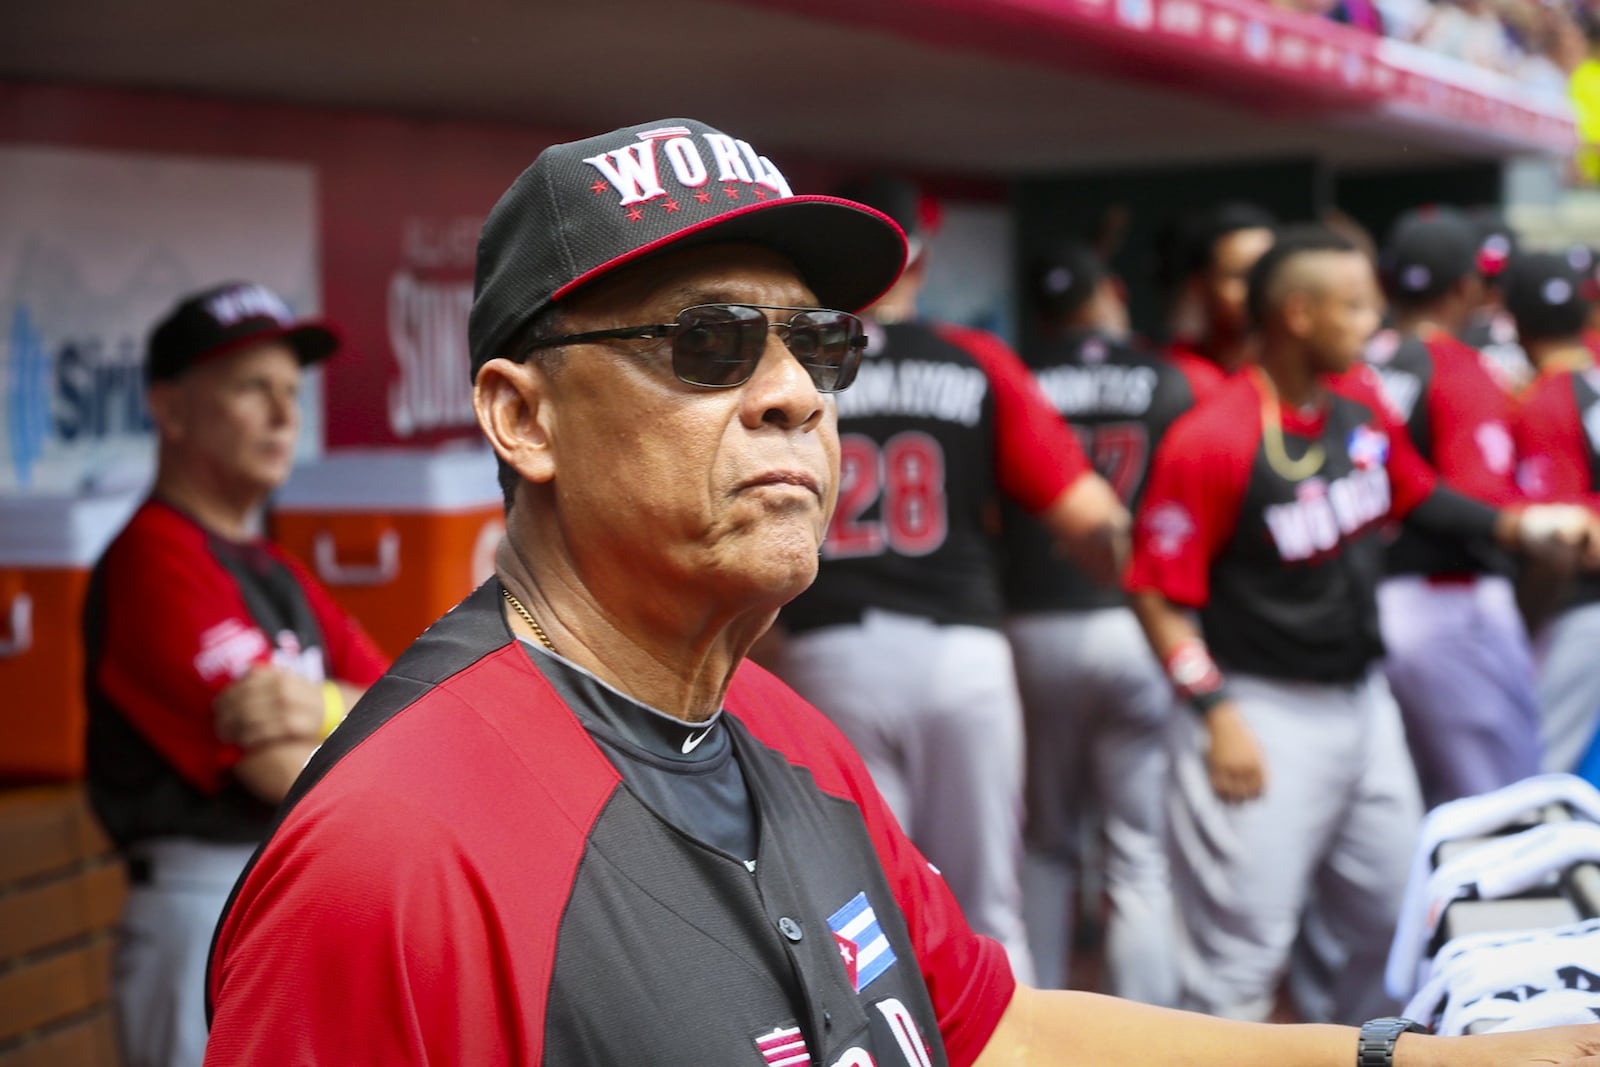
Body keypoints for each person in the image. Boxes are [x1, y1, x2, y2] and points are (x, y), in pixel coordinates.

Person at [205, 118, 1600, 1067]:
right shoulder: (392, 851)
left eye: (818, 342)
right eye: (707, 342)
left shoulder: (783, 731)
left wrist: (1423, 1054)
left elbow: (1000, 1034)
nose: (797, 393)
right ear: (523, 417)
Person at [1126, 224, 1599, 1027]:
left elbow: (1415, 492)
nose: (1372, 321)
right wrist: (1215, 710)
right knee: (1238, 967)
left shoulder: (1357, 406)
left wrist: (1524, 527)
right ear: (1299, 314)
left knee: (1396, 932)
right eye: (1354, 306)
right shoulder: (1216, 434)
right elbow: (1156, 592)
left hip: (1363, 702)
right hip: (1262, 711)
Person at [760, 176, 1128, 979]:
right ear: (917, 262)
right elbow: (1092, 518)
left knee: (864, 907)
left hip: (832, 654)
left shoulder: (788, 369)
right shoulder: (974, 360)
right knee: (987, 906)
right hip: (962, 653)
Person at [85, 282, 387, 1067]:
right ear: (173, 409)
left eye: (291, 391)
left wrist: (318, 702)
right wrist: (357, 727)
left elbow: (414, 717)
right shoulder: (155, 558)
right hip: (202, 900)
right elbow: (278, 769)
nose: (285, 415)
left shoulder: (276, 568)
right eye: (254, 389)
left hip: (287, 894)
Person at [1001, 240, 1216, 1000]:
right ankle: (1145, 1038)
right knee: (1139, 853)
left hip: (1033, 622)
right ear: (1112, 294)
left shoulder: (1018, 372)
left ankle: (1044, 1022)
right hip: (1141, 619)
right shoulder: (1167, 375)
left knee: (1046, 843)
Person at [1364, 207, 1540, 808]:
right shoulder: (1461, 369)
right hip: (1450, 604)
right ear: (1467, 287)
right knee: (1502, 817)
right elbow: (1478, 501)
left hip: (1367, 608)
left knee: (1414, 818)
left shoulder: (1359, 365)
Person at [1501, 249, 1600, 774]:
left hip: (1579, 612)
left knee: (1542, 771)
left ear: (1514, 321)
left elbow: (1565, 537)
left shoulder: (1541, 402)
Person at [1159, 201, 1278, 388]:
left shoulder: (1319, 375)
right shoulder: (1172, 377)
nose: (1259, 288)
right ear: (1198, 286)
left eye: (1269, 274)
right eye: (1241, 276)